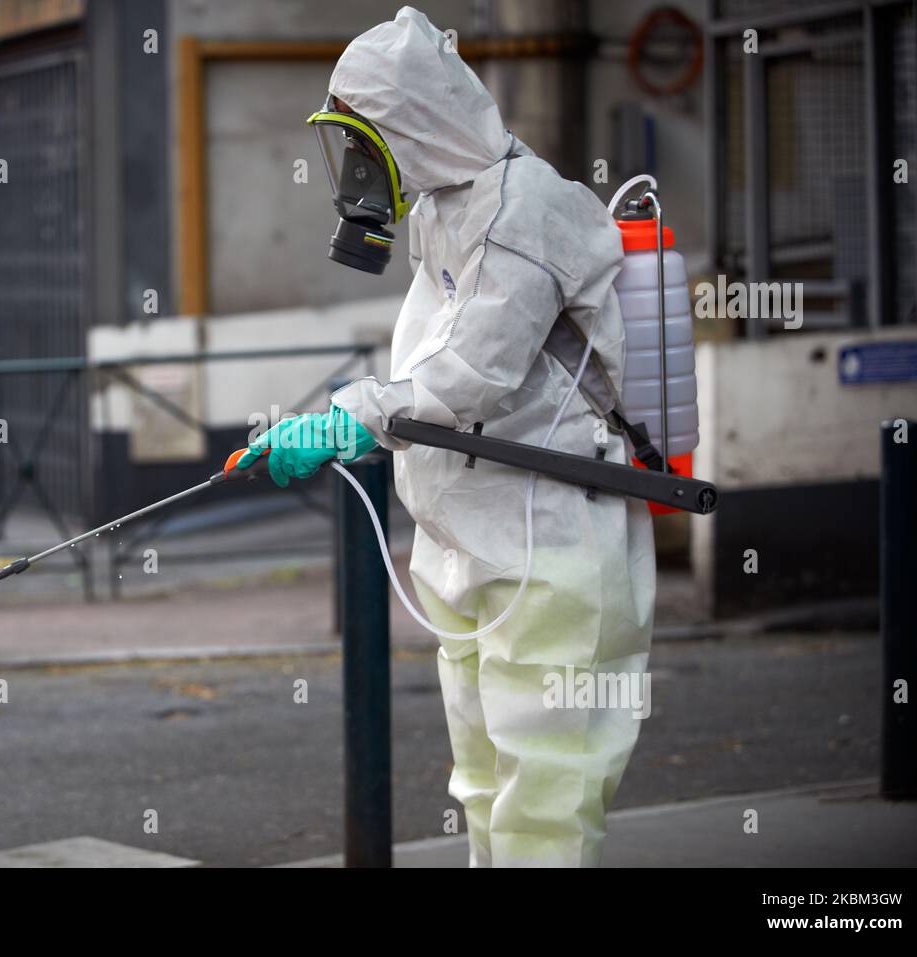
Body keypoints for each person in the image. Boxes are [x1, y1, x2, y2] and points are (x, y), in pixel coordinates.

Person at [236, 6, 655, 867]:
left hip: (548, 548)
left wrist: (345, 419)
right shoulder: (444, 209)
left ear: (411, 127)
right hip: (474, 541)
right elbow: (431, 361)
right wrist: (349, 417)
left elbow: (470, 375)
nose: (354, 170)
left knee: (545, 788)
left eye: (364, 144)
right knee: (481, 782)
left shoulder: (521, 210)